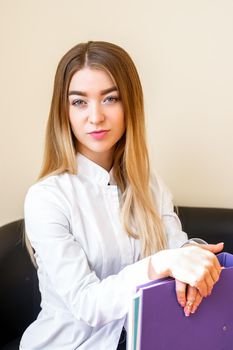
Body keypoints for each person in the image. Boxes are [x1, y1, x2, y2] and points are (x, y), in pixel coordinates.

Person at [19, 41, 223, 350]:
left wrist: (194, 261)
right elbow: (89, 305)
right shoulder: (46, 198)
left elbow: (176, 248)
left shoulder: (151, 185)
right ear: (64, 111)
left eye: (110, 98)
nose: (96, 117)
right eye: (79, 102)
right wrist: (161, 264)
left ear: (130, 104)